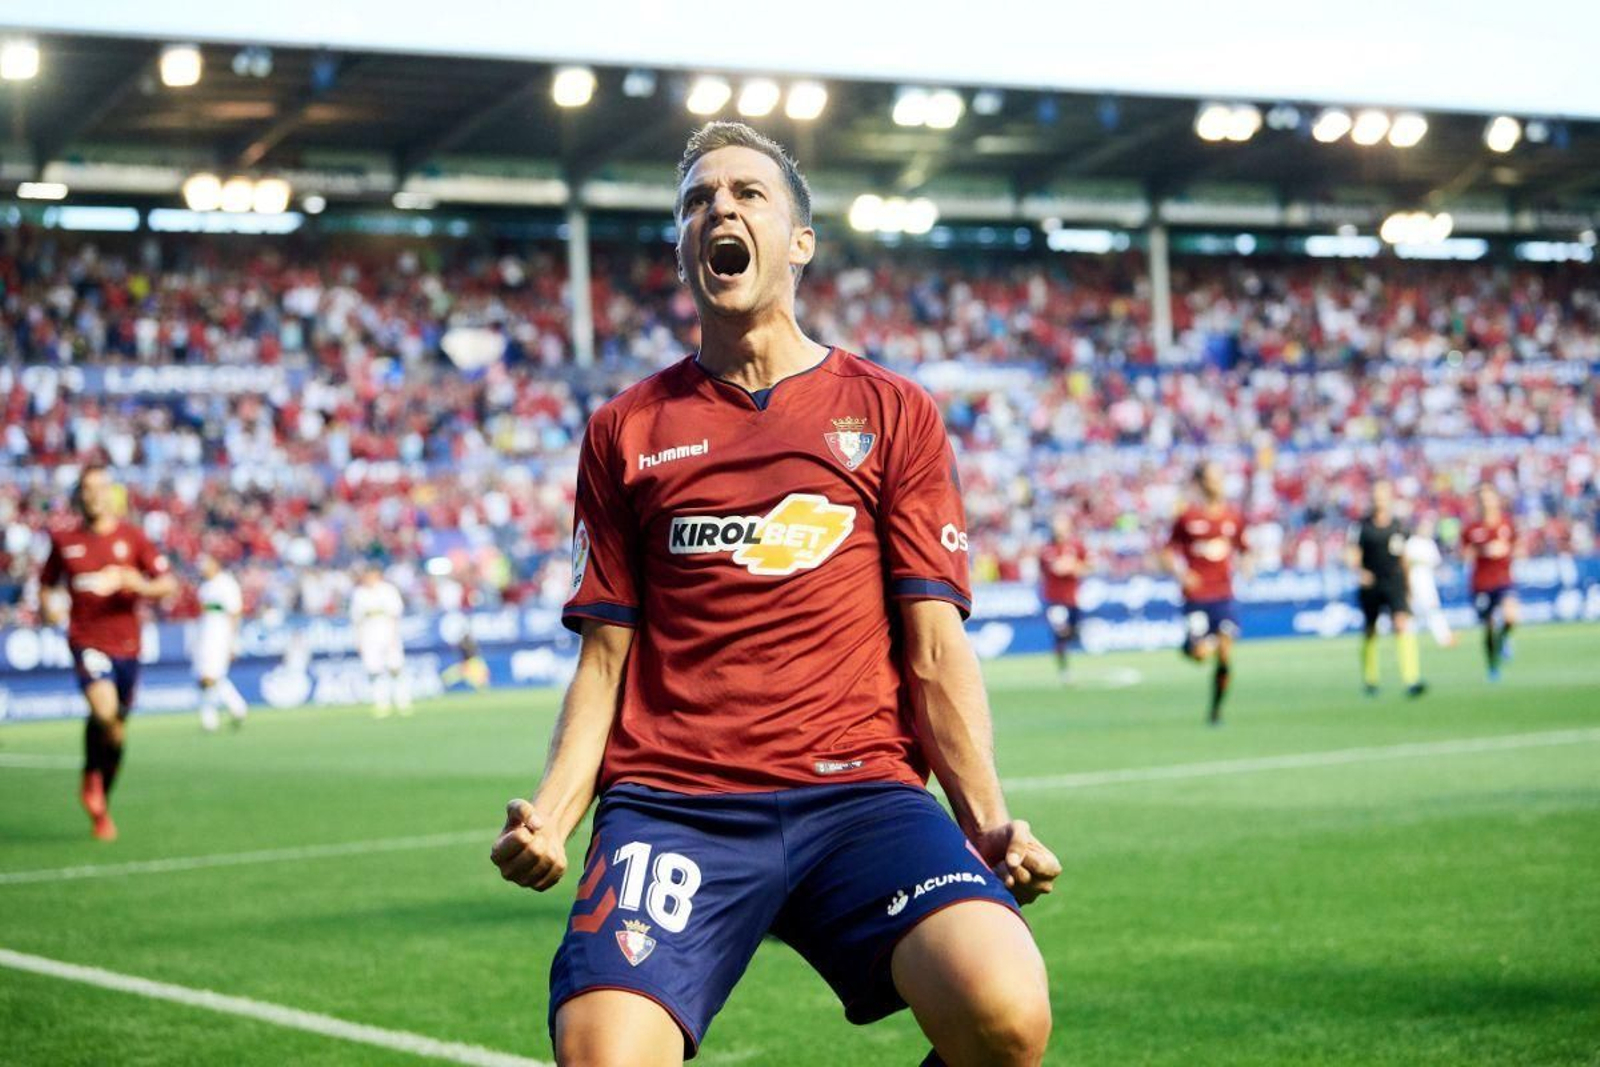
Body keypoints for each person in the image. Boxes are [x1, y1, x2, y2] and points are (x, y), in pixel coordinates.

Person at [490, 122, 1059, 1067]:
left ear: (799, 240)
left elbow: (933, 648)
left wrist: (986, 818)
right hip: (677, 802)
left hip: (860, 796)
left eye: (749, 193)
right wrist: (551, 811)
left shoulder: (890, 410)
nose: (719, 206)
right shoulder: (625, 429)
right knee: (603, 1056)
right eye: (697, 200)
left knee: (1005, 1013)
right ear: (683, 251)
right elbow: (603, 658)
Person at [38, 464, 177, 840]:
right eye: (87, 488)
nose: (94, 494)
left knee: (116, 733)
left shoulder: (133, 538)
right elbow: (46, 584)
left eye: (101, 487)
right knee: (104, 710)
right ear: (80, 495)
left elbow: (168, 584)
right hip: (86, 640)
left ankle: (98, 791)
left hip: (128, 645)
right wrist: (49, 606)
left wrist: (136, 583)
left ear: (112, 492)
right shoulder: (65, 540)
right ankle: (93, 782)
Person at [1163, 460, 1248, 726]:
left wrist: (1247, 564)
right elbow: (1167, 551)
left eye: (1220, 478)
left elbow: (1244, 548)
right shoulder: (1188, 518)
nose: (1217, 483)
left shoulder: (1233, 517)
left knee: (1225, 652)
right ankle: (1193, 645)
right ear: (1201, 483)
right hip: (1197, 597)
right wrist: (1181, 573)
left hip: (1223, 595)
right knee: (1200, 654)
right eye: (1212, 478)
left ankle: (1216, 710)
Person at [1347, 479, 1426, 698]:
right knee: (1371, 630)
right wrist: (1359, 572)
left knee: (1401, 624)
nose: (1379, 498)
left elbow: (1404, 558)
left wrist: (1409, 586)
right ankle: (1370, 679)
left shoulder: (1399, 526)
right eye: (1375, 494)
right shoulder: (1361, 526)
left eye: (1383, 493)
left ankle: (1412, 679)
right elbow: (1353, 554)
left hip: (1394, 581)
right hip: (1371, 583)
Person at [1461, 485, 1519, 681]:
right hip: (1481, 583)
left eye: (1489, 498)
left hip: (1504, 579)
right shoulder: (1471, 528)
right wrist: (1483, 551)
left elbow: (1518, 547)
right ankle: (1493, 666)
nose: (1486, 502)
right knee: (1489, 627)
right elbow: (1464, 555)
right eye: (1482, 499)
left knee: (1511, 617)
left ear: (1496, 500)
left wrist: (1506, 550)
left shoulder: (1506, 523)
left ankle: (1504, 641)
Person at [192, 553, 249, 731]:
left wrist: (233, 640)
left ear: (216, 564)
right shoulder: (205, 587)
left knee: (212, 676)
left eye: (205, 563)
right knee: (204, 677)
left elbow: (235, 612)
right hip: (205, 633)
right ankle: (211, 718)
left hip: (220, 634)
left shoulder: (226, 584)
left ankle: (237, 707)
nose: (202, 568)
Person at [349, 564, 410, 718]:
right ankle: (381, 704)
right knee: (374, 670)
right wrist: (358, 640)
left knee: (395, 668)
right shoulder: (359, 594)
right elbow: (357, 620)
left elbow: (395, 615)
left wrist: (394, 636)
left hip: (388, 633)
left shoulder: (388, 590)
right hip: (369, 636)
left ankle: (403, 701)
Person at [1038, 511, 1089, 684]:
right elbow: (1056, 569)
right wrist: (1071, 565)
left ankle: (1067, 654)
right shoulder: (1047, 549)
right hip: (1054, 599)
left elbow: (1087, 566)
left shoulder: (1077, 546)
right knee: (1060, 632)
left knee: (1074, 632)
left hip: (1072, 598)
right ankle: (1064, 670)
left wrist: (1074, 566)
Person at [1403, 518, 1455, 649]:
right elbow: (1406, 564)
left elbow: (1435, 563)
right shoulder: (1411, 543)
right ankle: (1408, 639)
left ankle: (1444, 637)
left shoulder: (1430, 543)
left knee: (1431, 610)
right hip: (1415, 582)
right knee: (1419, 612)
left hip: (1428, 583)